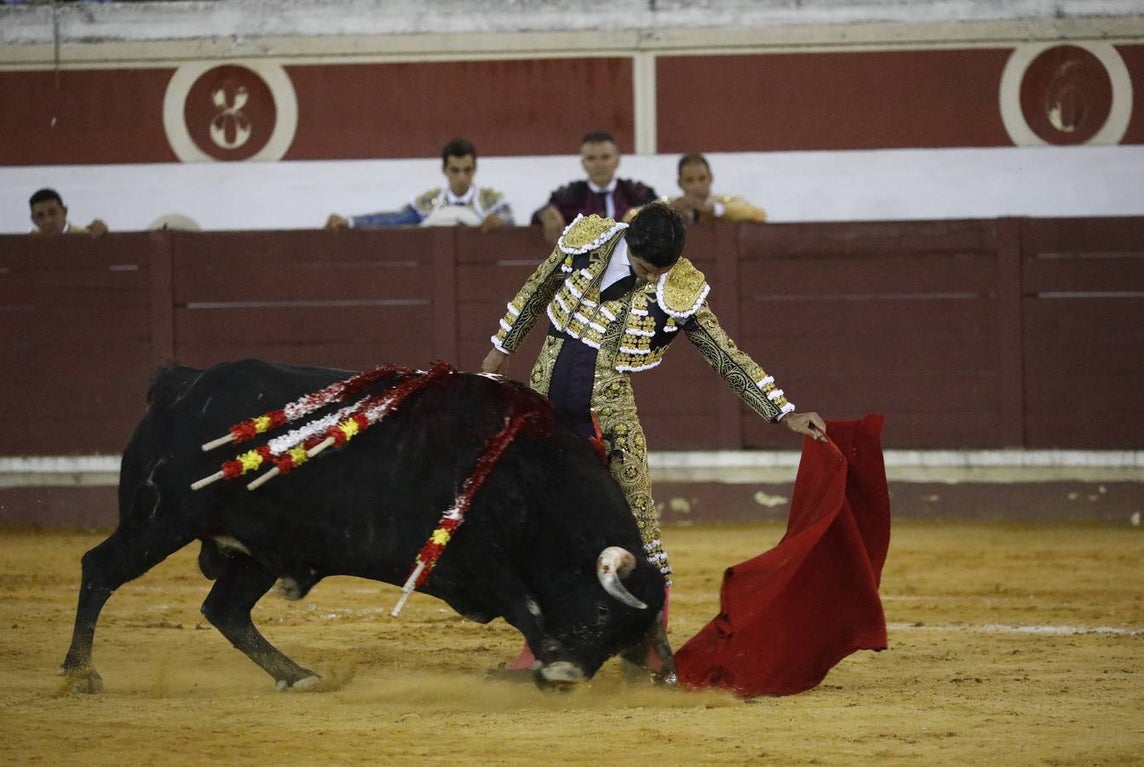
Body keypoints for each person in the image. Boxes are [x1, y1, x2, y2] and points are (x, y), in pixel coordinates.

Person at [482, 201, 825, 671]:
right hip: (546, 411)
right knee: (546, 527)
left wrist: (782, 411)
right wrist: (499, 353)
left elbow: (725, 356)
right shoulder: (589, 242)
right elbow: (536, 289)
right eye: (644, 270)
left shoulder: (678, 286)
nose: (650, 281)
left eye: (658, 273)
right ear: (629, 242)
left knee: (640, 526)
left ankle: (649, 650)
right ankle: (543, 644)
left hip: (610, 417)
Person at [325, 137, 513, 232]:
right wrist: (350, 221)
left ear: (474, 169)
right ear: (445, 170)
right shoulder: (431, 201)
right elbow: (395, 219)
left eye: (467, 170)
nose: (462, 177)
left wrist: (500, 221)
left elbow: (508, 217)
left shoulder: (490, 201)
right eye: (455, 170)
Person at [531, 130, 657, 244]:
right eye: (591, 158)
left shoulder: (637, 193)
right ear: (583, 164)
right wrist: (545, 214)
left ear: (617, 160)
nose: (599, 164)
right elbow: (541, 215)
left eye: (605, 157)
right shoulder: (568, 196)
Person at [667, 153, 767, 224]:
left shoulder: (726, 204)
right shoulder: (673, 206)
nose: (697, 186)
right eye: (689, 180)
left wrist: (716, 209)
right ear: (680, 183)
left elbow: (760, 215)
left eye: (702, 179)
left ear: (711, 178)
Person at [28, 188, 108, 237]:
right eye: (40, 216)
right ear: (33, 219)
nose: (48, 220)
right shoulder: (28, 243)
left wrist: (104, 237)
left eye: (52, 213)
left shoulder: (86, 236)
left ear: (64, 211)